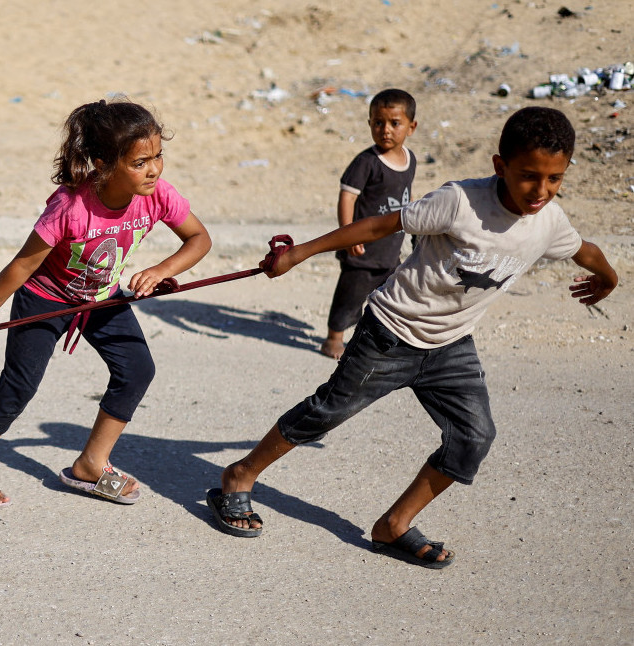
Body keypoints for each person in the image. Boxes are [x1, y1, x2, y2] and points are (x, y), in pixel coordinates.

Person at [207, 106, 618, 569]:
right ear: (500, 165)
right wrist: (299, 253)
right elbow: (382, 225)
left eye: (554, 178)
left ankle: (394, 524)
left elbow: (585, 249)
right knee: (326, 412)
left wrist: (608, 277)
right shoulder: (460, 202)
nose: (541, 190)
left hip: (451, 346)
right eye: (528, 176)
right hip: (390, 332)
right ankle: (239, 476)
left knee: (473, 437)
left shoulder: (550, 221)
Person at [0, 98, 212, 508]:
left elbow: (199, 239)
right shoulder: (70, 206)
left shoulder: (158, 195)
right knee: (19, 387)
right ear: (102, 164)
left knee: (137, 370)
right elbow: (22, 265)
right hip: (46, 298)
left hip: (101, 298)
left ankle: (90, 463)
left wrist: (161, 269)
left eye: (158, 156)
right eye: (140, 162)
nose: (154, 169)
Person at [321, 88, 418, 360]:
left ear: (411, 127)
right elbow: (347, 197)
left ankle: (385, 338)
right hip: (361, 249)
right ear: (369, 124)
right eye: (378, 122)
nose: (385, 129)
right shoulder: (366, 162)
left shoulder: (410, 161)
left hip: (390, 247)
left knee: (393, 294)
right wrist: (347, 235)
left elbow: (405, 196)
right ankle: (333, 338)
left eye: (394, 123)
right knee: (350, 296)